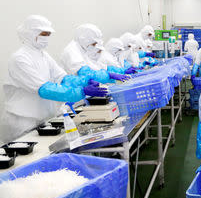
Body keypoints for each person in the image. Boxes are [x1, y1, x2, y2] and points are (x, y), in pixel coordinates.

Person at [1, 15, 107, 143]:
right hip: (23, 120)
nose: (46, 38)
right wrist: (81, 92)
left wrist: (85, 81)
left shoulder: (43, 55)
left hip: (42, 118)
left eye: (48, 34)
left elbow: (62, 78)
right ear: (30, 33)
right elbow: (45, 89)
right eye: (43, 34)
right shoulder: (19, 58)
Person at [61, 24, 129, 83]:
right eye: (94, 44)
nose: (94, 46)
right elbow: (87, 73)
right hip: (75, 91)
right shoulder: (72, 51)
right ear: (83, 39)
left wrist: (115, 73)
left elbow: (95, 67)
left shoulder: (81, 50)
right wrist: (109, 75)